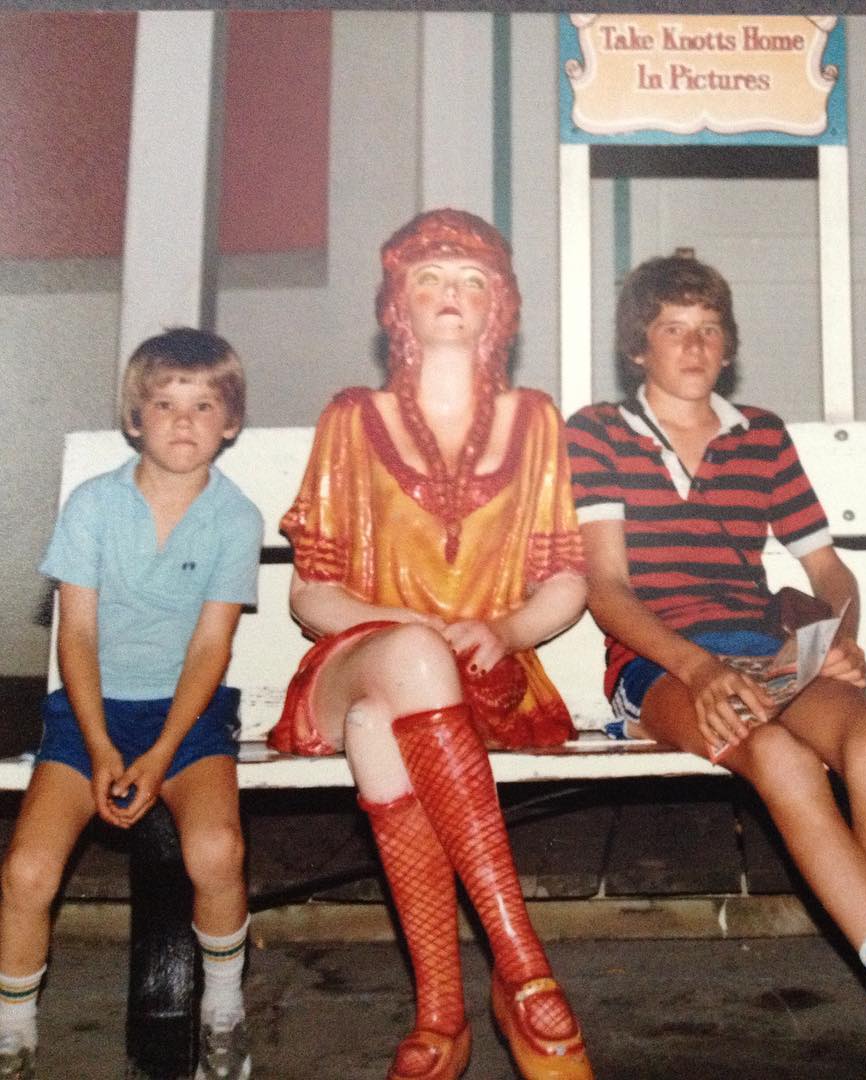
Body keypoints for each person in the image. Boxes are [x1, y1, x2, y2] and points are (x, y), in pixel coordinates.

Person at [565, 253, 866, 1080]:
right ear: (637, 348)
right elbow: (607, 589)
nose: (694, 346)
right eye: (672, 330)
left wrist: (835, 637)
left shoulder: (759, 435)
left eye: (709, 330)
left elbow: (829, 572)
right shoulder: (600, 432)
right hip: (663, 666)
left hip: (768, 653)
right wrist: (698, 669)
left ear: (729, 346)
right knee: (778, 754)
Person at [267, 209, 593, 1080]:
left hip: (487, 682)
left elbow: (566, 576)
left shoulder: (535, 420)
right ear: (397, 306)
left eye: (472, 281)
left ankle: (442, 1013)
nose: (452, 294)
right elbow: (312, 594)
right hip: (353, 660)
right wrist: (408, 629)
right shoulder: (353, 417)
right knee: (407, 664)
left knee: (380, 727)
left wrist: (507, 630)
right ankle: (523, 968)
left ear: (500, 308)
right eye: (430, 280)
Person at [0, 329, 263, 1080]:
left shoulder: (234, 517)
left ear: (230, 422)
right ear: (134, 418)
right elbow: (77, 635)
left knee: (216, 850)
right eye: (165, 404)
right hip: (90, 714)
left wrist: (158, 753)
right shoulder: (94, 505)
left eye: (203, 405)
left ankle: (222, 1013)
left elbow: (210, 647)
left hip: (187, 718)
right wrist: (102, 746)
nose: (183, 421)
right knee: (26, 871)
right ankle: (13, 1033)